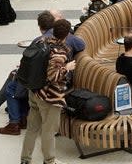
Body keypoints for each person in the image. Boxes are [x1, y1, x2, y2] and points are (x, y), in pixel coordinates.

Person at [20, 18, 78, 163]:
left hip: (34, 92)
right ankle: (49, 160)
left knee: (32, 129)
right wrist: (67, 68)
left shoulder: (42, 41)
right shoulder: (60, 52)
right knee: (49, 131)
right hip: (49, 97)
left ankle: (25, 159)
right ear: (67, 35)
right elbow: (53, 76)